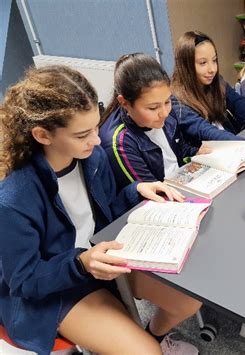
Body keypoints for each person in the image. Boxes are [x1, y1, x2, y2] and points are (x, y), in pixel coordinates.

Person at [0, 65, 199, 354]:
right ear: (43, 135)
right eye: (82, 135)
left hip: (100, 258)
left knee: (187, 301)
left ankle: (153, 336)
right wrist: (81, 264)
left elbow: (105, 214)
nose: (96, 140)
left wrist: (135, 191)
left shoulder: (92, 159)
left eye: (95, 127)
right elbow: (25, 280)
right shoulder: (14, 198)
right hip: (56, 287)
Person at [100, 53, 245, 191]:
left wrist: (197, 152)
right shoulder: (120, 142)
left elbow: (178, 148)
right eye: (153, 108)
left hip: (185, 184)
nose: (164, 113)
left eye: (167, 101)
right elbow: (149, 190)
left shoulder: (167, 113)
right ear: (125, 103)